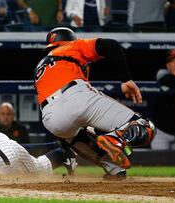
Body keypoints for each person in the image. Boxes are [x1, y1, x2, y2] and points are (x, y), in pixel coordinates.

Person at [33, 27, 156, 179]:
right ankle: (116, 139)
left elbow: (62, 112)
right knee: (144, 128)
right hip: (75, 96)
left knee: (78, 137)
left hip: (51, 119)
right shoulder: (72, 46)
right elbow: (111, 45)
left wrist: (66, 146)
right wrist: (125, 79)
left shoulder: (40, 68)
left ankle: (115, 171)